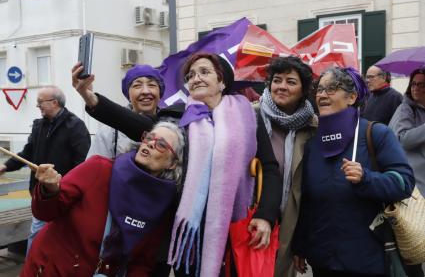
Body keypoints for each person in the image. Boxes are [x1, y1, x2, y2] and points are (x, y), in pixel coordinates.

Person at [72, 52, 281, 277]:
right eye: (191, 75)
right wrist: (89, 96)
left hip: (236, 225)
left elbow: (269, 168)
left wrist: (265, 215)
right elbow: (137, 125)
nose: (196, 78)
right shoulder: (178, 116)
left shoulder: (247, 115)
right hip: (188, 232)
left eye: (204, 72)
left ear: (222, 81)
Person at [20, 121, 185, 277]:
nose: (150, 143)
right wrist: (50, 190)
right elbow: (45, 213)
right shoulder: (99, 168)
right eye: (149, 137)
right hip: (52, 269)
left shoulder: (161, 203)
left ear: (172, 163)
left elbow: (142, 261)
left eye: (161, 144)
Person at [293, 67, 414, 277]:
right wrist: (300, 245)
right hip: (323, 260)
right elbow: (308, 202)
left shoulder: (376, 133)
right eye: (319, 89)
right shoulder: (313, 145)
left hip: (366, 259)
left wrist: (367, 178)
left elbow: (404, 183)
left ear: (351, 97)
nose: (322, 94)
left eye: (331, 89)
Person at [0, 86, 90, 252]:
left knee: (61, 238)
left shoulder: (75, 126)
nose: (37, 106)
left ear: (54, 102)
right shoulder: (39, 125)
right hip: (40, 195)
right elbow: (27, 153)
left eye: (40, 102)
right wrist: (5, 166)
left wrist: (68, 189)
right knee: (37, 235)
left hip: (65, 196)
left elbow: (82, 163)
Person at [255, 56, 317, 277]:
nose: (281, 86)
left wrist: (303, 241)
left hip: (291, 222)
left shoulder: (313, 127)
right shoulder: (251, 116)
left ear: (303, 90)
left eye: (291, 82)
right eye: (277, 80)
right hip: (253, 215)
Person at [389, 68, 425, 277]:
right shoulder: (406, 109)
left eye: (421, 84)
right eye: (414, 84)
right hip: (414, 187)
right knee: (414, 243)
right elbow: (403, 138)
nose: (416, 88)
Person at [87, 64, 164, 159]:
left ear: (160, 93)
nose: (145, 91)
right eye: (137, 85)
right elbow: (94, 168)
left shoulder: (172, 126)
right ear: (128, 95)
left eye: (152, 85)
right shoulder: (109, 132)